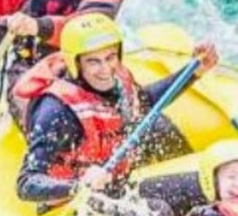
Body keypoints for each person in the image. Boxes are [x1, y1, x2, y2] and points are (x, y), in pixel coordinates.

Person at [15, 13, 217, 206]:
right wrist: (77, 187)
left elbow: (143, 102)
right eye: (93, 61)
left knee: (199, 183)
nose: (105, 69)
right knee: (158, 209)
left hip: (115, 182)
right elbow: (27, 182)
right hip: (78, 203)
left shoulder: (116, 78)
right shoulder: (57, 111)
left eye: (110, 57)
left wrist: (194, 72)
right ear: (75, 64)